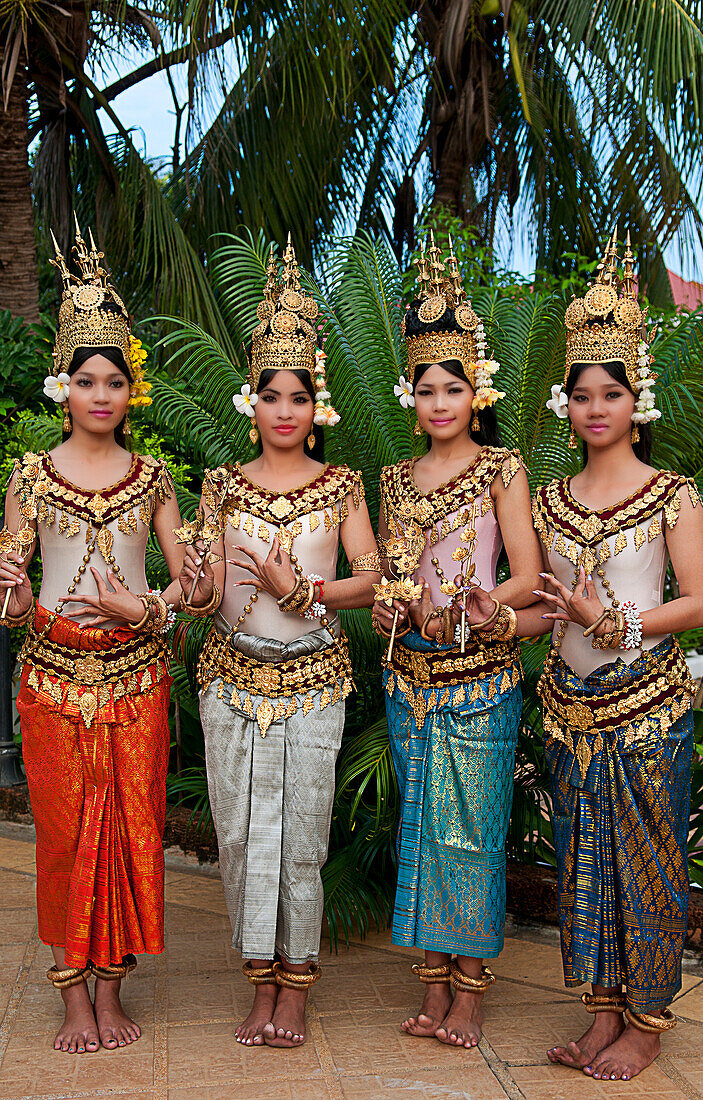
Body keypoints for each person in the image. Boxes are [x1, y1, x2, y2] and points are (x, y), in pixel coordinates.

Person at [179, 238, 380, 1048]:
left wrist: (305, 592)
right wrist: (191, 581)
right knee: (239, 836)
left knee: (301, 835)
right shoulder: (222, 485)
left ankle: (295, 988)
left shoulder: (341, 487)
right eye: (272, 397)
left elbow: (372, 578)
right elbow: (201, 593)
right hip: (229, 679)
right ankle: (256, 980)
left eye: (299, 396)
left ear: (316, 405)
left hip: (312, 679)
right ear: (251, 404)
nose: (286, 411)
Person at [522, 230, 703, 1081]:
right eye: (581, 394)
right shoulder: (550, 499)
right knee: (581, 864)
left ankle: (645, 1021)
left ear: (638, 400)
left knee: (647, 867)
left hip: (647, 709)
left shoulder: (671, 495)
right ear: (565, 403)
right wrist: (492, 617)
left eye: (611, 393)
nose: (595, 408)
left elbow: (699, 601)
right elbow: (544, 611)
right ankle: (598, 1014)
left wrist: (619, 621)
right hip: (568, 708)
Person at [0, 224, 184, 1055]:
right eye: (86, 380)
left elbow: (195, 584)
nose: (101, 394)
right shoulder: (31, 474)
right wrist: (9, 600)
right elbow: (10, 569)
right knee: (67, 838)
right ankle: (74, 999)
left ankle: (114, 992)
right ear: (62, 388)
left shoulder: (153, 479)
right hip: (50, 680)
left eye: (114, 380)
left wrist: (147, 609)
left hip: (138, 680)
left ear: (128, 389)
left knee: (135, 830)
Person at [372, 234, 542, 1048]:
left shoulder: (502, 468)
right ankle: (432, 984)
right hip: (409, 676)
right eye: (425, 388)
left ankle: (469, 994)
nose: (439, 402)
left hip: (480, 675)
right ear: (409, 395)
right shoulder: (394, 481)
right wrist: (394, 609)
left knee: (469, 835)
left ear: (477, 392)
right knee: (421, 828)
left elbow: (526, 576)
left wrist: (475, 608)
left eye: (454, 387)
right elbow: (392, 580)